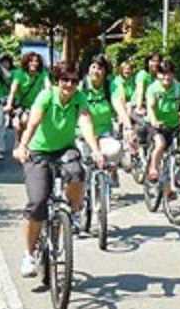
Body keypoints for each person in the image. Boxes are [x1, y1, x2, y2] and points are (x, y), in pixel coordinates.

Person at [14, 62, 105, 277]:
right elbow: (34, 122)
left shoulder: (79, 98)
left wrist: (95, 150)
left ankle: (71, 213)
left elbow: (85, 123)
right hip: (38, 152)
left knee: (77, 172)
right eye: (65, 80)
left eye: (74, 81)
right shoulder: (47, 96)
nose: (69, 85)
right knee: (37, 203)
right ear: (58, 81)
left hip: (64, 149)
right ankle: (29, 254)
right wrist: (22, 145)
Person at [81, 54, 128, 185]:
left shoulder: (109, 86)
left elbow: (118, 104)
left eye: (100, 68)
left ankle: (110, 170)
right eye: (93, 67)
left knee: (116, 149)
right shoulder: (81, 86)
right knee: (80, 166)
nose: (96, 71)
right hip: (81, 134)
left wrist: (128, 126)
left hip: (103, 133)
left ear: (106, 72)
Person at [145, 59, 180, 183]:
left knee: (175, 153)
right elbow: (151, 106)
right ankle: (153, 169)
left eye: (169, 73)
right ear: (157, 75)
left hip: (174, 125)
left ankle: (169, 184)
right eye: (163, 73)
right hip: (157, 125)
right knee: (160, 144)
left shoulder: (179, 87)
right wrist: (154, 121)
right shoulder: (153, 88)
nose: (166, 77)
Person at [5, 51, 51, 139]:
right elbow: (13, 91)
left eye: (36, 61)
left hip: (36, 105)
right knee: (21, 124)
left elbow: (48, 87)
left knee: (32, 123)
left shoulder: (42, 73)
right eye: (31, 61)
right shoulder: (20, 73)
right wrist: (9, 104)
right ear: (26, 62)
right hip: (21, 104)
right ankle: (18, 141)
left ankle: (28, 143)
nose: (34, 63)